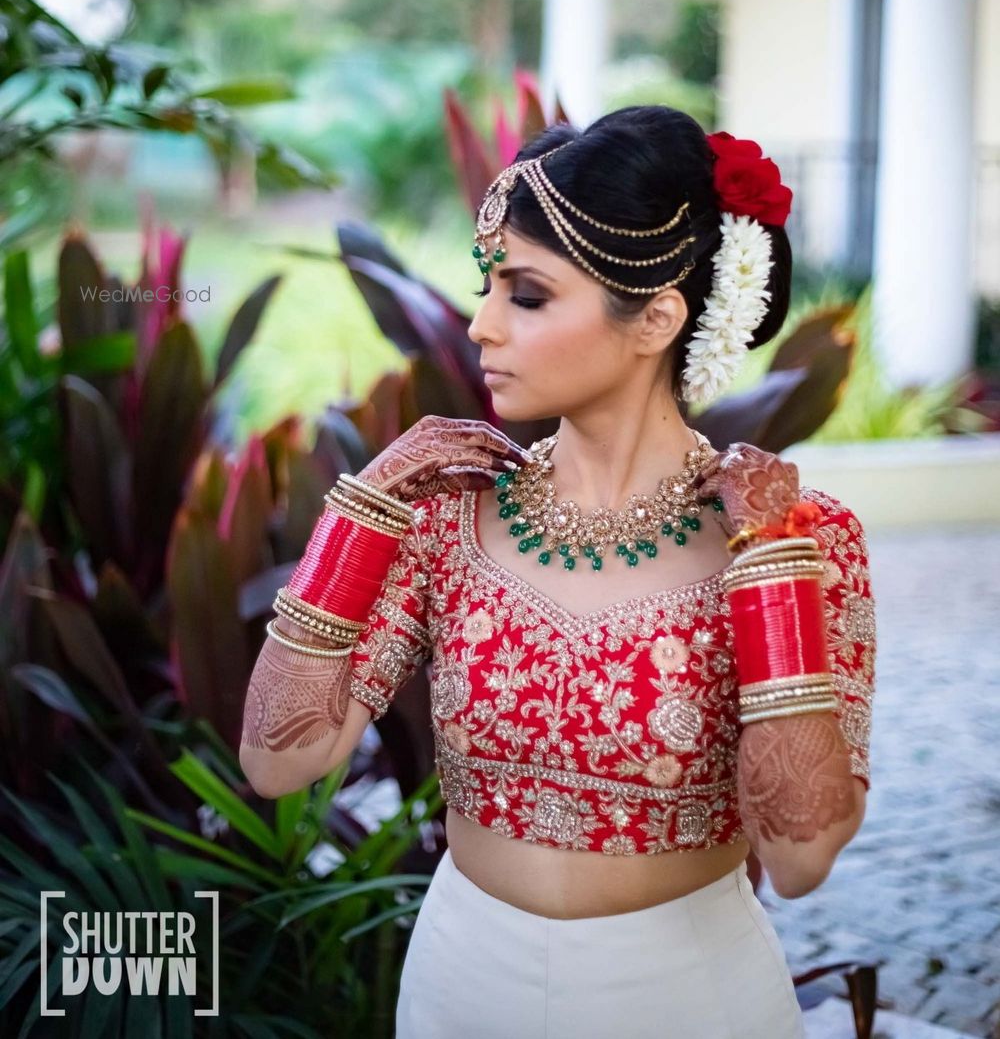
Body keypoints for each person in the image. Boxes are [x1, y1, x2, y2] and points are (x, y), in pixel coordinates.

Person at [239, 105, 877, 1039]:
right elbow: (276, 758)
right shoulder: (449, 516)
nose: (481, 325)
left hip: (689, 997)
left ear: (656, 317)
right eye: (487, 286)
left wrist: (770, 569)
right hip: (463, 980)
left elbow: (801, 857)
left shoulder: (792, 542)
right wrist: (360, 514)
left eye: (527, 296)